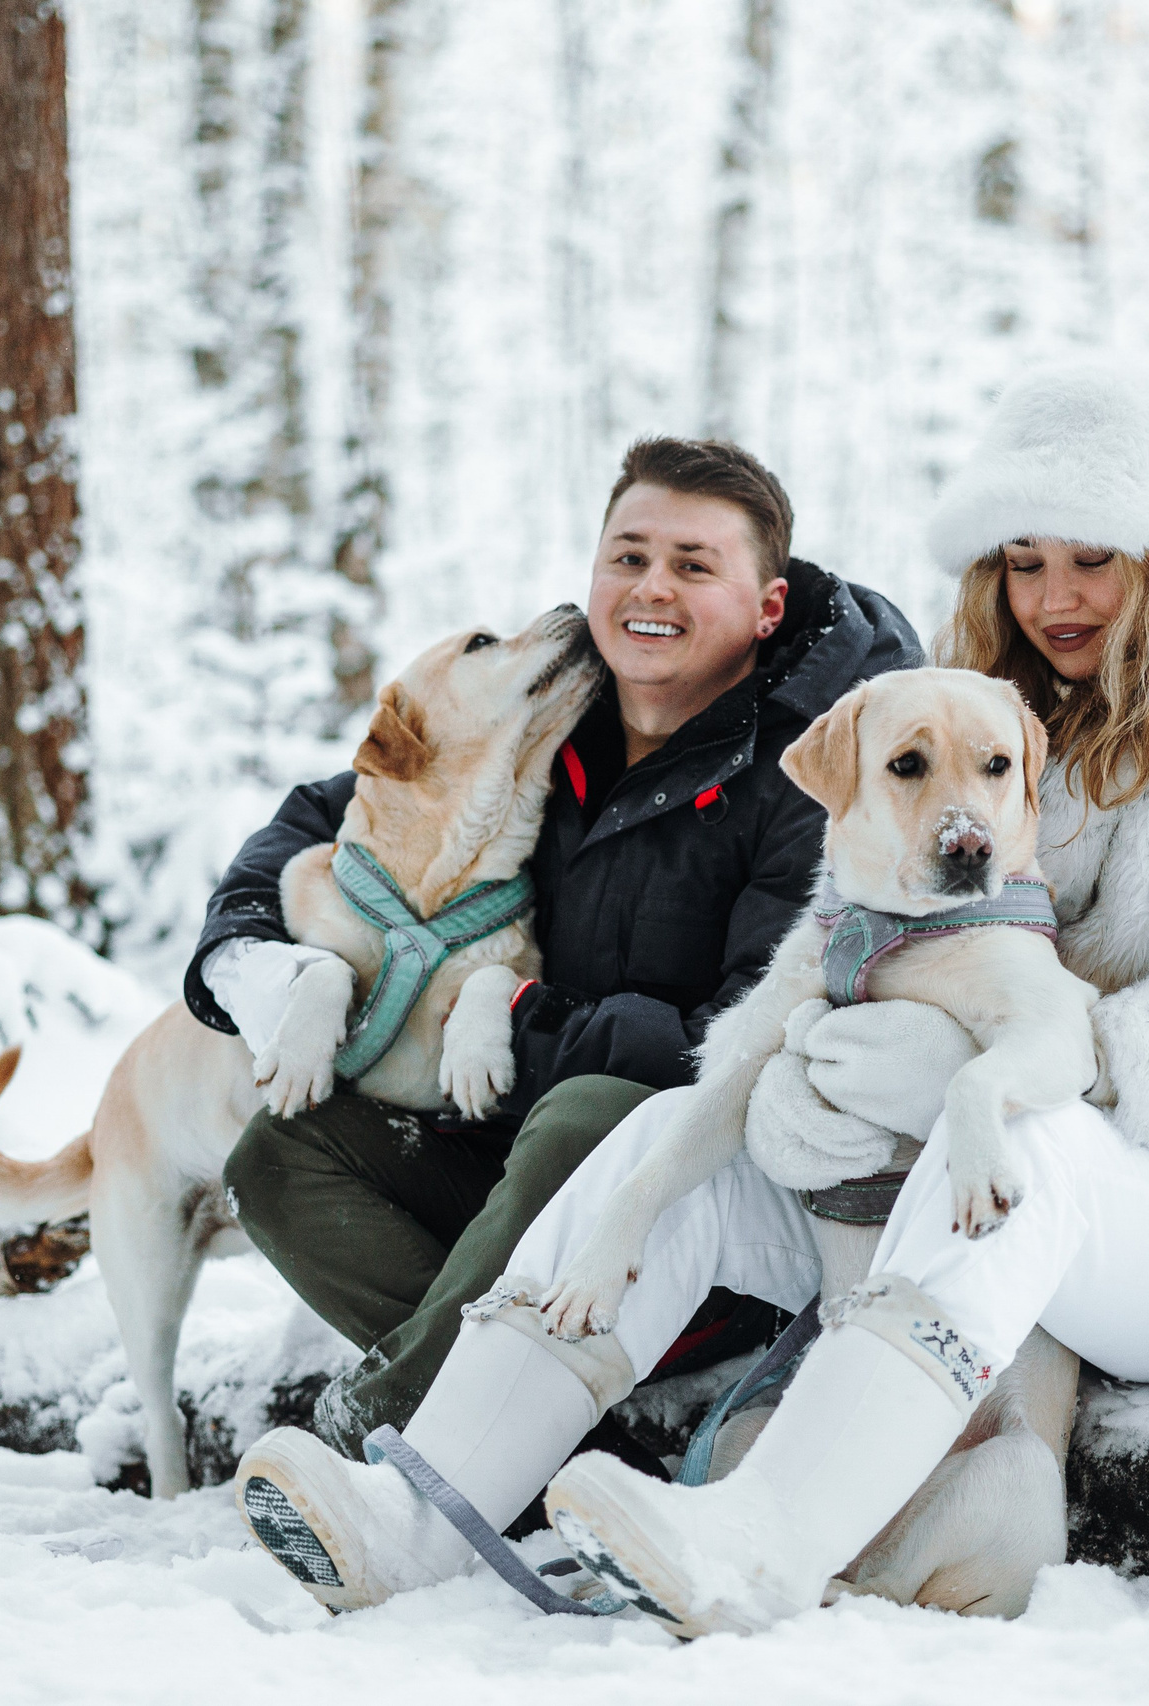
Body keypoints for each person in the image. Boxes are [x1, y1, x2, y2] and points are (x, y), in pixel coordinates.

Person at [228, 357, 1149, 1630]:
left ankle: (758, 1543)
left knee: (1031, 1146)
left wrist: (1054, 1058)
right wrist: (817, 1061)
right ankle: (422, 1510)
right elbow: (843, 924)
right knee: (665, 1135)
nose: (1056, 597)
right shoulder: (976, 712)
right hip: (965, 1167)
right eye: (1022, 560)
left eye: (1095, 558)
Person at [193, 437, 921, 1455]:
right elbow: (336, 802)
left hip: (691, 1205)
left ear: (766, 607)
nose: (648, 587)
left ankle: (400, 1424)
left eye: (693, 564)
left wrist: (528, 1021)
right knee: (281, 1154)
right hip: (514, 1173)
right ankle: (557, 1432)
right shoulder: (560, 705)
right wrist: (249, 953)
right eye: (626, 556)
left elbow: (745, 1033)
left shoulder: (816, 771)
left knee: (586, 1109)